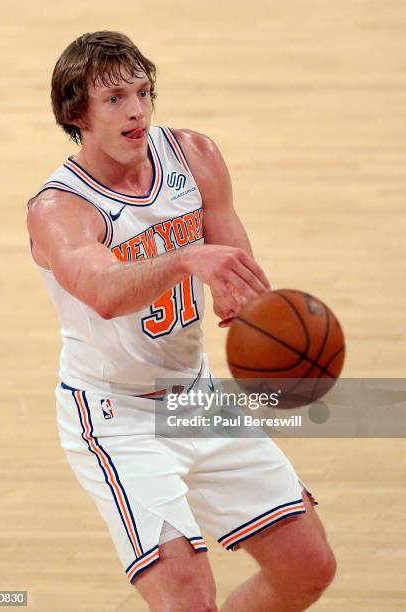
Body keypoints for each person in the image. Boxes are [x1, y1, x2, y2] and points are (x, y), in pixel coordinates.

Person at [27, 31, 336, 611]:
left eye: (143, 92)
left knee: (309, 569)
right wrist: (189, 258)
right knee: (188, 600)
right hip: (116, 415)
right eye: (115, 98)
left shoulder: (194, 155)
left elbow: (240, 270)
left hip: (196, 398)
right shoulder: (59, 209)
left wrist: (258, 317)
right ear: (77, 112)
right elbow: (102, 290)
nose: (137, 110)